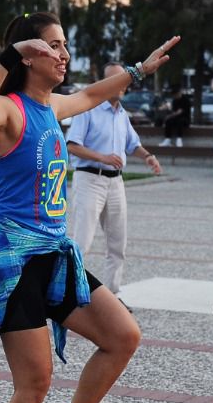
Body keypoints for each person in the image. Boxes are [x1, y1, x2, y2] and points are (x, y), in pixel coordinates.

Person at [0, 12, 177, 403]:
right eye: (52, 45)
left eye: (64, 45)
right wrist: (9, 55)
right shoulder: (9, 111)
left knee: (123, 335)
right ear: (28, 54)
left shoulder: (51, 106)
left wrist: (138, 71)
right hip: (16, 262)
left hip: (57, 255)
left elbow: (96, 94)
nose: (63, 54)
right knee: (34, 380)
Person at [66, 63, 164, 301]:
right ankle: (68, 293)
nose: (122, 84)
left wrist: (148, 157)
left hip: (115, 184)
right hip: (90, 179)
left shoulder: (122, 114)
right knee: (82, 242)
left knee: (118, 244)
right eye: (117, 79)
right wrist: (103, 157)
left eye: (124, 80)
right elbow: (72, 145)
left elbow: (132, 144)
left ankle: (113, 294)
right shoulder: (89, 109)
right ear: (105, 82)